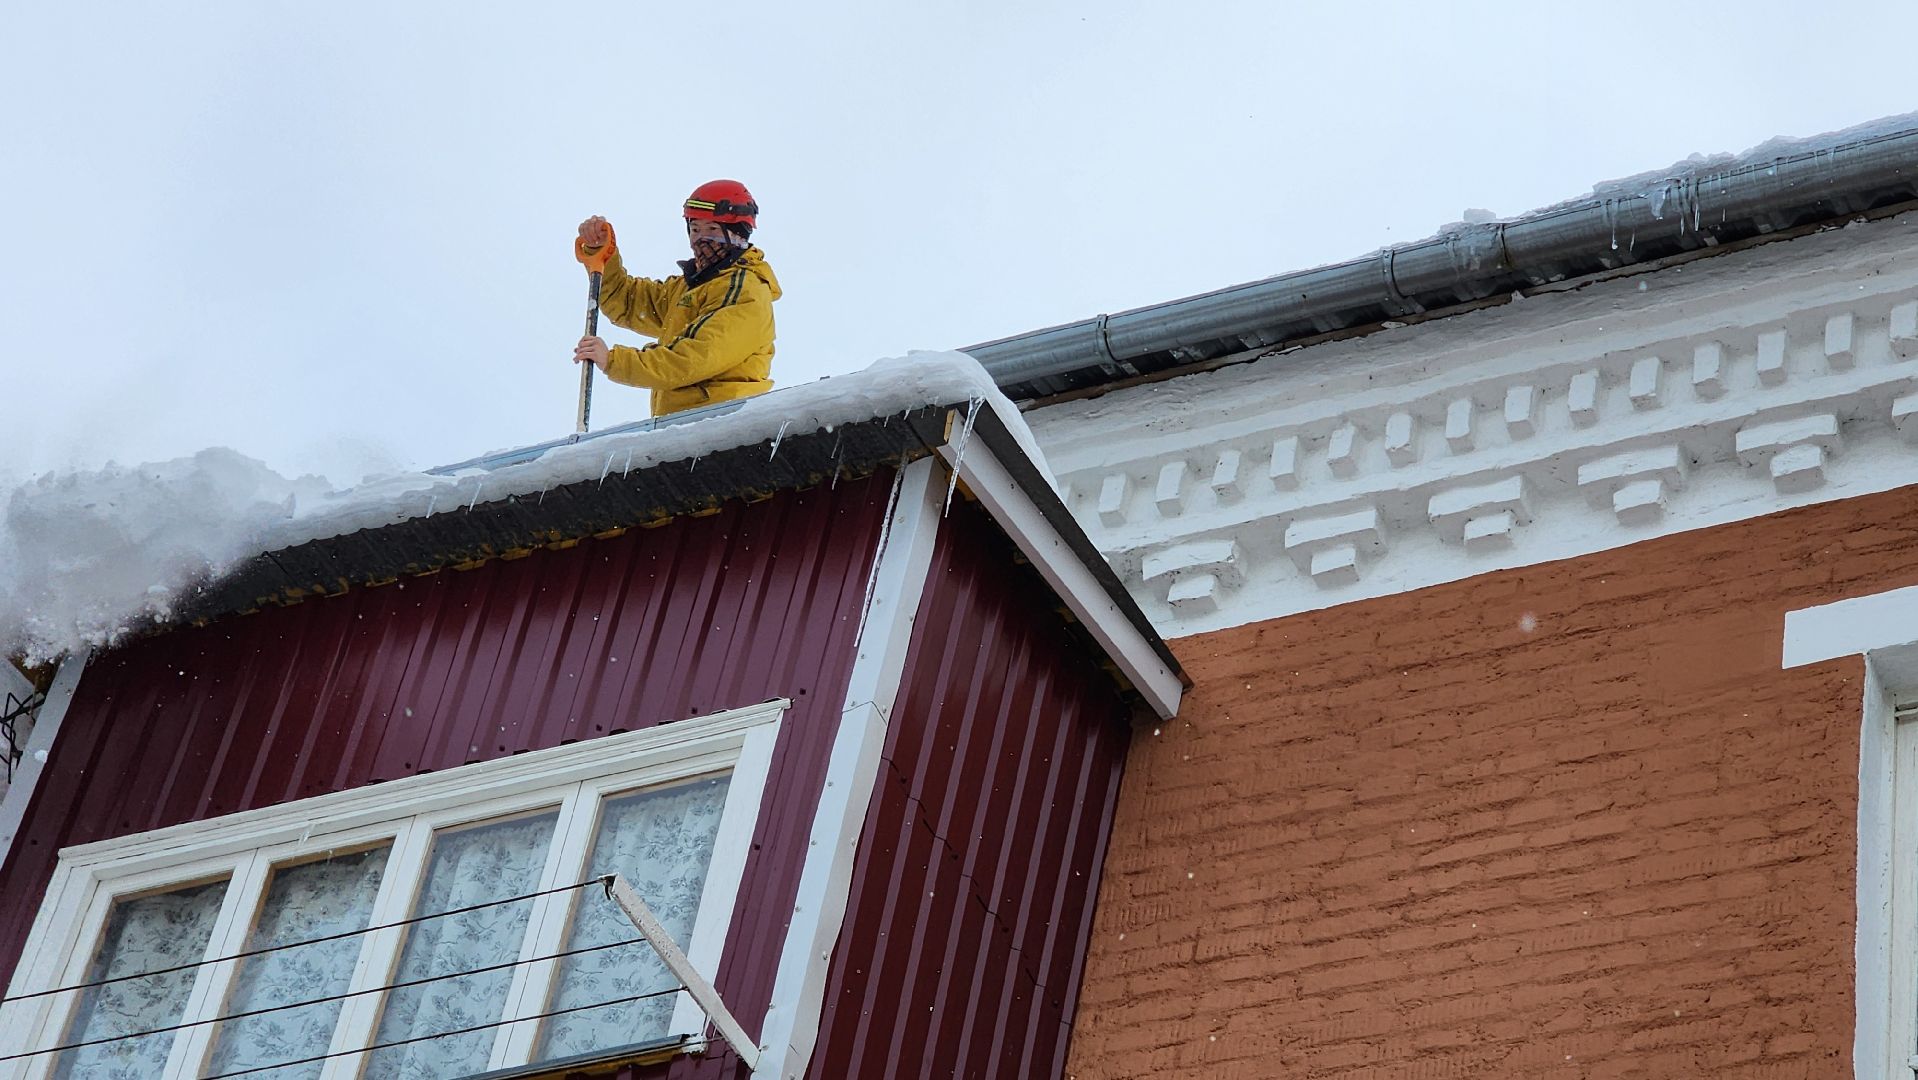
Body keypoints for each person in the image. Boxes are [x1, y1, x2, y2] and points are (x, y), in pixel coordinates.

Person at [573, 180, 780, 417]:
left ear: (737, 234)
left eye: (712, 229)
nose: (700, 239)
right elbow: (628, 302)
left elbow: (691, 358)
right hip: (684, 426)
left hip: (726, 427)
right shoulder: (690, 287)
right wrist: (603, 254)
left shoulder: (746, 292)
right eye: (695, 230)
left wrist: (614, 360)